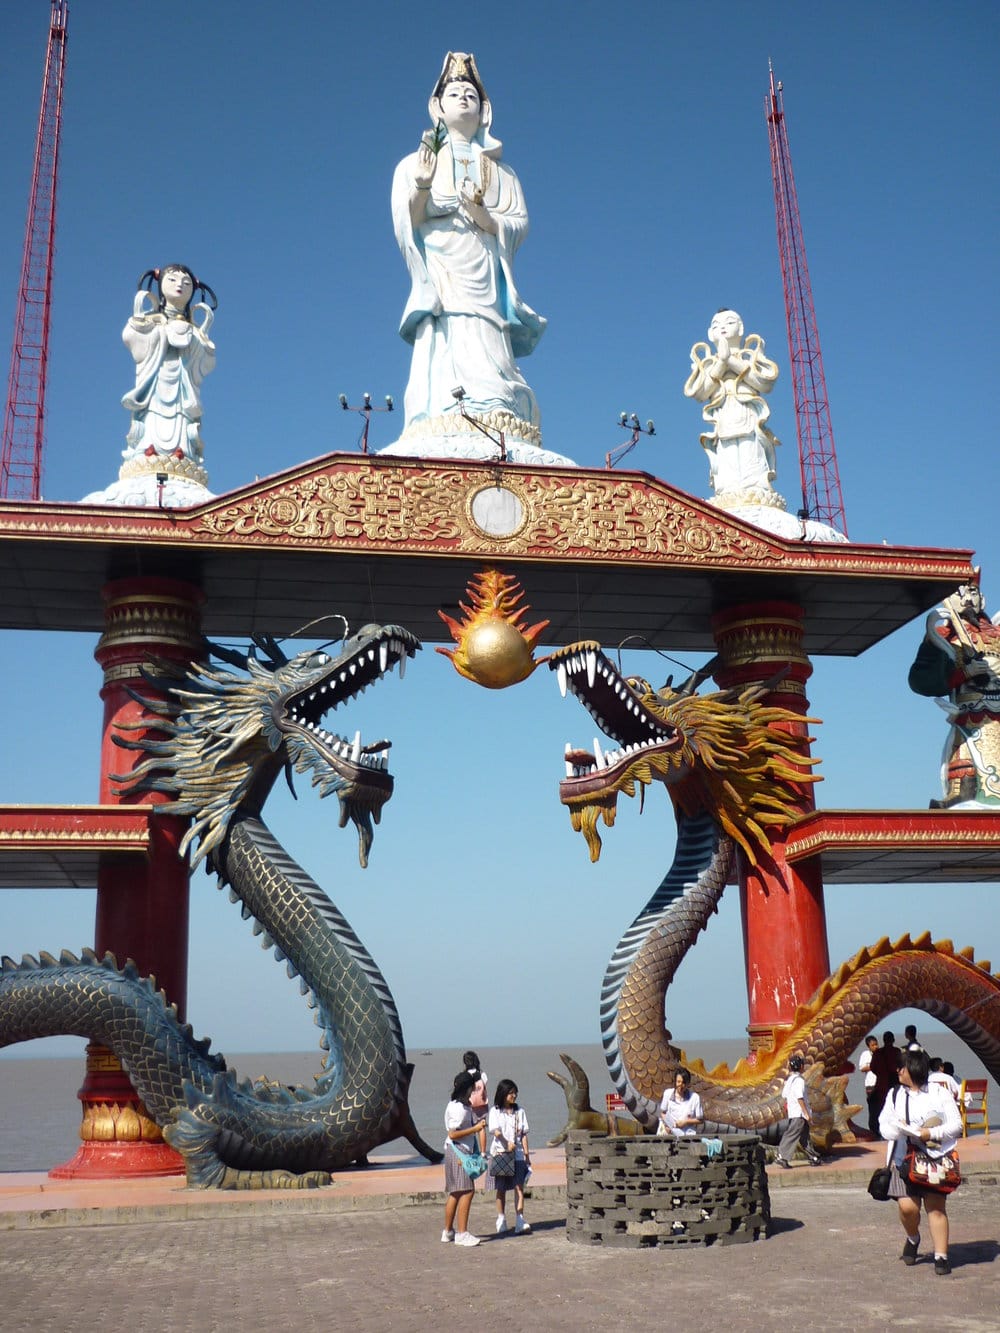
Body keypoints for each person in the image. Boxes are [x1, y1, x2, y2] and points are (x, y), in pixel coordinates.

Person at [390, 52, 545, 445]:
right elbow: (411, 221)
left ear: (484, 110)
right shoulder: (415, 163)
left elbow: (518, 222)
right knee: (448, 332)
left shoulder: (502, 172)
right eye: (455, 93)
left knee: (488, 336)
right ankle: (445, 404)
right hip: (443, 265)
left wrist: (483, 215)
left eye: (471, 96)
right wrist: (423, 185)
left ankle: (495, 401)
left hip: (483, 264)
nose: (463, 100)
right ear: (437, 106)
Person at [908, 577, 1000, 808]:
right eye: (961, 594)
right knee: (968, 774)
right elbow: (921, 680)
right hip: (970, 717)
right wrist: (964, 672)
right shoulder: (942, 636)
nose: (969, 599)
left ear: (983, 599)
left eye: (973, 593)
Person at [121, 265, 217, 470]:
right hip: (155, 380)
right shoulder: (152, 321)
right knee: (153, 411)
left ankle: (181, 450)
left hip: (183, 382)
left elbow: (207, 361)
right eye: (172, 280)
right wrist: (160, 331)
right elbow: (131, 336)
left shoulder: (194, 329)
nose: (179, 285)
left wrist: (195, 339)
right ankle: (149, 447)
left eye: (186, 283)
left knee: (182, 412)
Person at [879, 1047, 962, 1275]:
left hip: (935, 1158)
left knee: (936, 1208)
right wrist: (899, 1129)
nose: (898, 1071)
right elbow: (883, 1125)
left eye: (901, 1067)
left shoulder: (939, 1093)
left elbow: (956, 1125)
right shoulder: (895, 1094)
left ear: (911, 1069)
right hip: (904, 1159)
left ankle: (941, 1256)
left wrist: (929, 1134)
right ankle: (913, 1237)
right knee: (907, 1208)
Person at [683, 309, 781, 503]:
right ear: (710, 334)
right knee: (726, 457)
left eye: (729, 323)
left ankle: (757, 488)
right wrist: (721, 362)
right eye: (716, 325)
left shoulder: (749, 356)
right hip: (722, 415)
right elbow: (700, 392)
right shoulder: (708, 363)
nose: (722, 328)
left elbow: (764, 383)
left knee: (750, 452)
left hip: (748, 413)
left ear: (741, 328)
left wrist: (731, 361)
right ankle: (727, 490)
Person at [442, 1071, 487, 1247]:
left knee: (456, 1192)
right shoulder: (459, 1110)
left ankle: (448, 1231)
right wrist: (475, 1129)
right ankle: (462, 1233)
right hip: (458, 1151)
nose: (474, 1091)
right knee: (467, 1190)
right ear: (466, 1088)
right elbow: (453, 1134)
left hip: (452, 1151)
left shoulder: (454, 1105)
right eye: (472, 1088)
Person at [487, 1078, 532, 1235]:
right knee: (501, 1189)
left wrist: (526, 1155)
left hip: (517, 1155)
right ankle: (501, 1218)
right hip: (500, 1154)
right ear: (503, 1094)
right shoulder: (495, 1111)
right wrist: (506, 1143)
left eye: (515, 1092)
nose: (514, 1096)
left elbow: (524, 1134)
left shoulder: (520, 1112)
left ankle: (520, 1219)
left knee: (519, 1187)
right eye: (511, 1093)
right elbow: (495, 1131)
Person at [774, 1055, 823, 1168]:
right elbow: (799, 1098)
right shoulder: (799, 1080)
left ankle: (813, 1157)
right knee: (792, 1134)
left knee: (804, 1137)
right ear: (801, 1066)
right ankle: (782, 1156)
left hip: (793, 1113)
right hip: (799, 1114)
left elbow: (784, 1095)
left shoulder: (789, 1080)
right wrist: (806, 1113)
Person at [657, 1068, 704, 1137]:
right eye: (678, 1082)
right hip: (669, 1134)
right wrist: (667, 1125)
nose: (680, 1085)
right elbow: (663, 1113)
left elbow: (701, 1120)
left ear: (688, 1083)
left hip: (687, 1134)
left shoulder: (695, 1097)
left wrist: (686, 1122)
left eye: (683, 1083)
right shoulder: (668, 1094)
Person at [869, 1031, 902, 1125]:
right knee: (896, 1107)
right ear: (893, 1040)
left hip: (881, 1085)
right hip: (895, 1084)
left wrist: (881, 1074)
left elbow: (873, 1068)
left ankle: (882, 1128)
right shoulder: (897, 1052)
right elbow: (901, 1066)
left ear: (883, 1040)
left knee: (882, 1108)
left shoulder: (878, 1053)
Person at [859, 1034, 880, 1137]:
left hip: (881, 1084)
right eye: (873, 1045)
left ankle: (880, 1131)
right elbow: (862, 1068)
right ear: (868, 1046)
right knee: (872, 1109)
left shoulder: (881, 1054)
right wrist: (873, 1066)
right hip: (870, 1085)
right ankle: (873, 1131)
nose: (876, 1046)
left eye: (876, 1044)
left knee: (882, 1107)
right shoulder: (865, 1055)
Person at [462, 1050, 489, 1120]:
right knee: (482, 1126)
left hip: (469, 1105)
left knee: (470, 1127)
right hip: (482, 1104)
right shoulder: (482, 1074)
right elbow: (485, 1083)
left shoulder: (464, 1075)